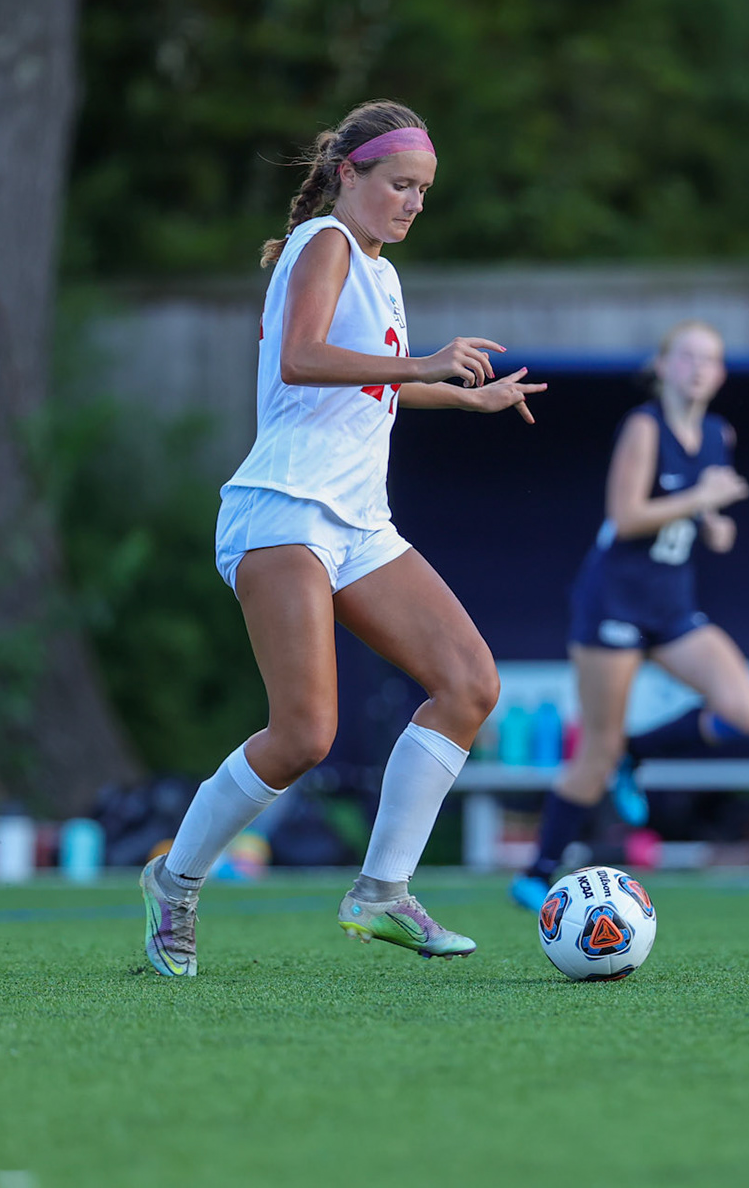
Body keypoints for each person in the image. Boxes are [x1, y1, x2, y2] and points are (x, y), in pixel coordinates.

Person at [138, 100, 544, 976]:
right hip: (283, 509)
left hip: (357, 520)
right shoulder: (324, 240)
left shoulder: (380, 270)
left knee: (469, 684)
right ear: (349, 174)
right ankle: (175, 880)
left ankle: (383, 893)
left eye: (424, 191)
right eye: (400, 185)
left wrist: (458, 395)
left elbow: (367, 385)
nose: (413, 204)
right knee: (303, 736)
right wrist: (427, 363)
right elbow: (303, 358)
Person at [508, 320, 749, 911]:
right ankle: (538, 869)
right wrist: (702, 501)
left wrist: (716, 525)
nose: (699, 368)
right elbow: (625, 517)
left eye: (711, 360)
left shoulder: (720, 433)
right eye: (688, 357)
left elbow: (701, 514)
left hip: (671, 606)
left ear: (721, 375)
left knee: (743, 711)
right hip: (614, 602)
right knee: (595, 750)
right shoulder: (644, 427)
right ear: (664, 365)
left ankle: (638, 752)